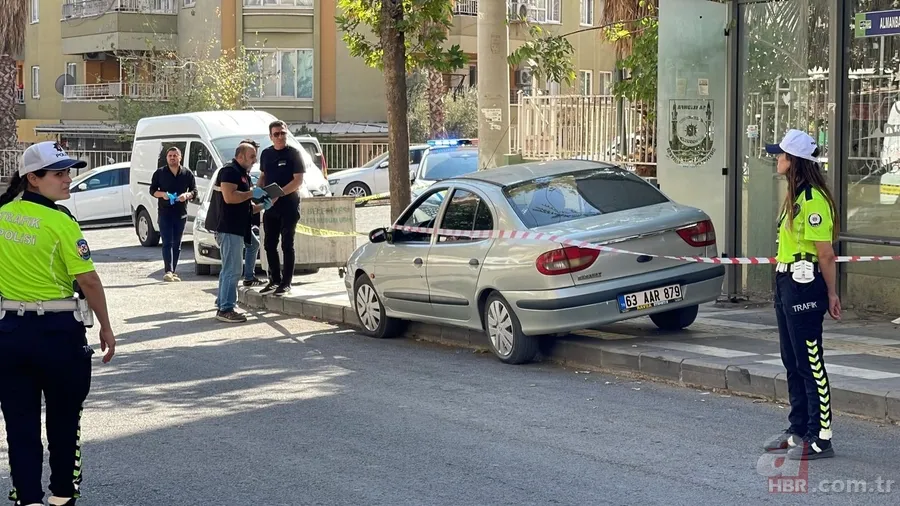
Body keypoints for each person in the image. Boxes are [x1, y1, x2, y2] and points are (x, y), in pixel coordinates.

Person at [0, 141, 116, 506]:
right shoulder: (60, 221)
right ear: (32, 178)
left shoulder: (2, 213)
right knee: (65, 421)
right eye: (58, 173)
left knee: (20, 425)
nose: (68, 179)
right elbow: (89, 281)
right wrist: (106, 326)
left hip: (10, 332)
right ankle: (62, 496)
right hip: (58, 332)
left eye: (68, 171)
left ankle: (28, 498)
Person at [762, 129, 841, 461]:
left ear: (793, 161)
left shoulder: (813, 201)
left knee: (811, 361)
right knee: (792, 360)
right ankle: (798, 428)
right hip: (785, 282)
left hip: (804, 284)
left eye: (780, 154)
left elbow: (825, 254)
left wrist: (832, 293)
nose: (776, 159)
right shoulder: (794, 196)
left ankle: (821, 435)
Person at [205, 142, 272, 323]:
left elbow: (246, 205)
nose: (254, 160)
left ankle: (222, 302)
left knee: (229, 268)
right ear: (240, 156)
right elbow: (230, 197)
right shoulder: (229, 171)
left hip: (236, 228)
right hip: (228, 228)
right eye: (251, 156)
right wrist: (251, 193)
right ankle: (226, 308)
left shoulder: (243, 174)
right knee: (233, 270)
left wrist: (263, 205)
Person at [257, 120, 305, 297]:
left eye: (282, 133)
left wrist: (279, 194)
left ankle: (286, 283)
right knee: (269, 244)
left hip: (289, 204)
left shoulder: (294, 154)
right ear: (270, 137)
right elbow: (263, 176)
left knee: (287, 244)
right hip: (271, 205)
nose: (280, 137)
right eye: (276, 134)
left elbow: (298, 181)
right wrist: (258, 190)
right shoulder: (266, 154)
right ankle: (274, 279)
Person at [148, 146, 197, 282]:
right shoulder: (160, 173)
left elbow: (194, 191)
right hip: (165, 212)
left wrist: (187, 195)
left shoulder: (187, 174)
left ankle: (173, 270)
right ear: (167, 158)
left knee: (177, 243)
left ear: (180, 157)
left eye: (175, 155)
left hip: (181, 213)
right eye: (170, 155)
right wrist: (162, 194)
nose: (172, 158)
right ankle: (168, 270)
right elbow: (152, 190)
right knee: (167, 242)